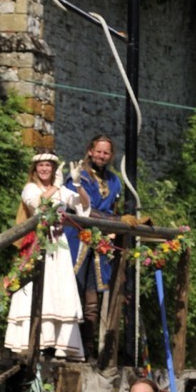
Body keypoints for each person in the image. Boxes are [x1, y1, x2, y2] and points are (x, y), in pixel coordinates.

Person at [3, 151, 89, 360]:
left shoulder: (61, 189)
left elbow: (83, 206)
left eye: (48, 166)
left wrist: (77, 184)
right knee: (35, 288)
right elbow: (38, 205)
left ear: (53, 168)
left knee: (57, 288)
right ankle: (33, 341)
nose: (44, 169)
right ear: (35, 169)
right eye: (40, 165)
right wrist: (56, 187)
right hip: (37, 243)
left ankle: (58, 344)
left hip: (58, 245)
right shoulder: (30, 188)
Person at [64, 135, 123, 356]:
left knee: (92, 298)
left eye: (106, 152)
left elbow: (113, 208)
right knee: (73, 291)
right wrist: (115, 222)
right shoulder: (79, 175)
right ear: (90, 150)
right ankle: (68, 346)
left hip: (100, 244)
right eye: (98, 151)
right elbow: (80, 208)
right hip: (76, 238)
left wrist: (116, 223)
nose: (102, 156)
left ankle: (87, 349)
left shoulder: (114, 180)